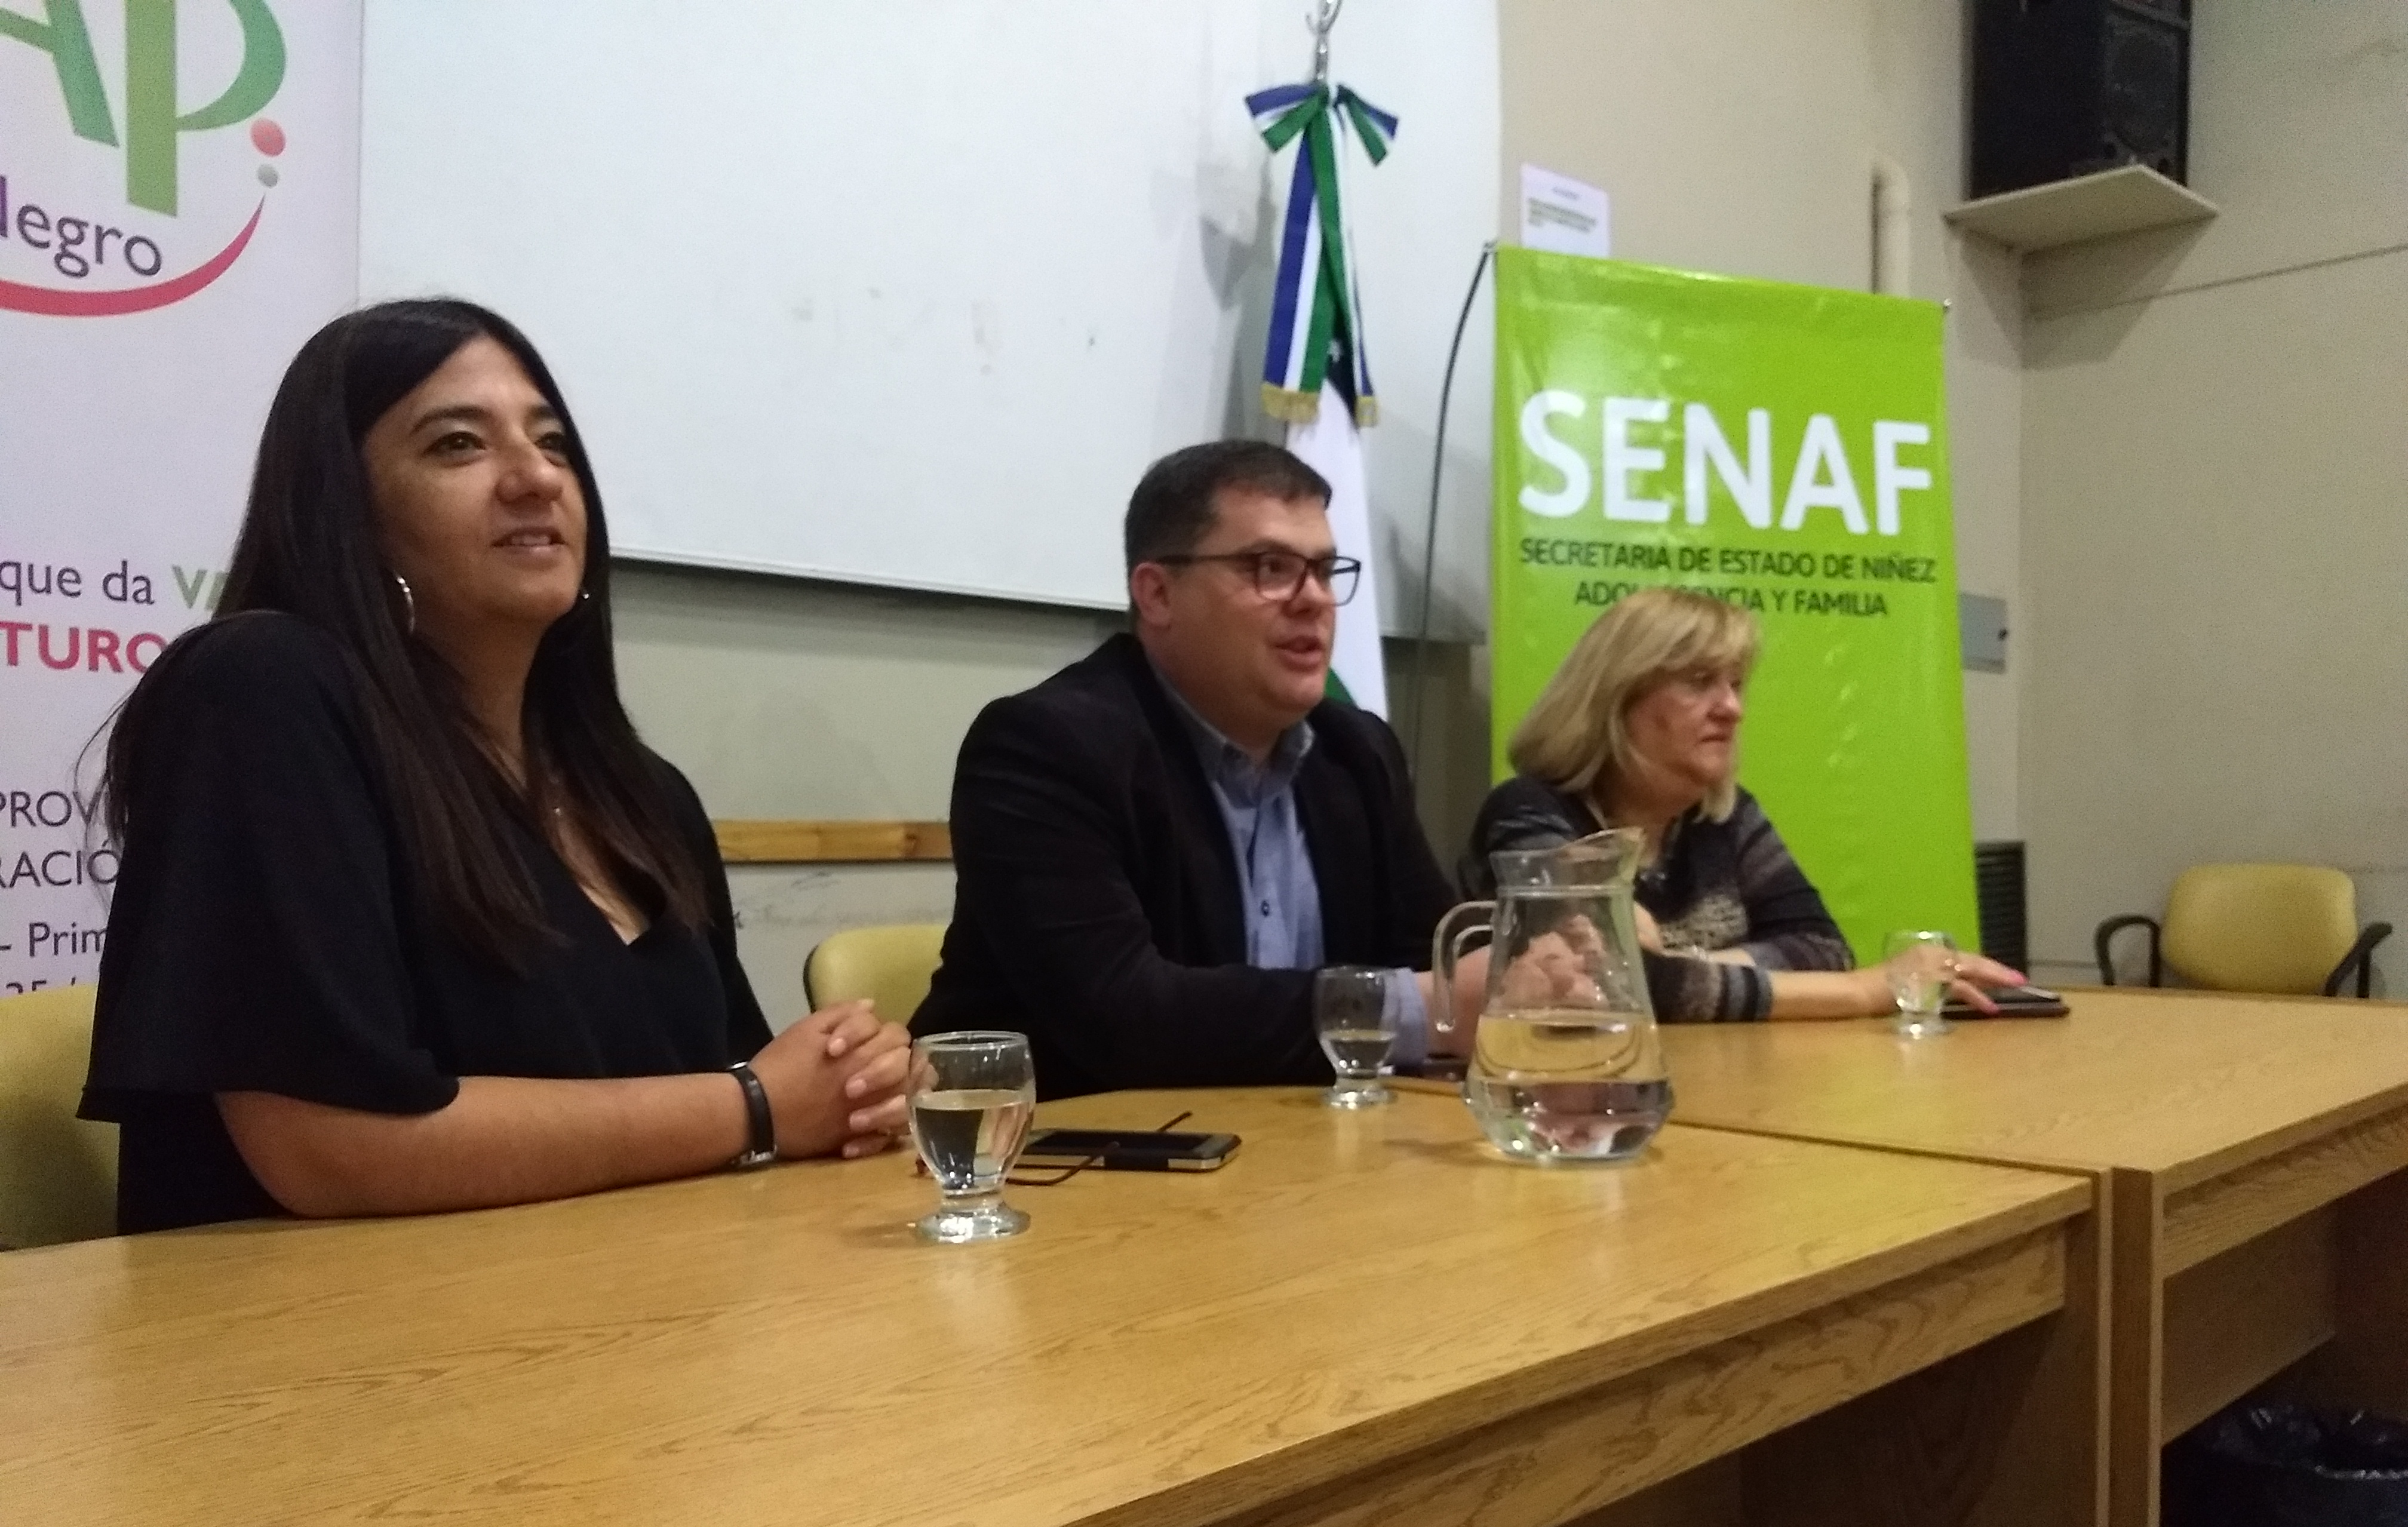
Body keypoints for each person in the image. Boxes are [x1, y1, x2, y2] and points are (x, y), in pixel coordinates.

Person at [82, 299, 911, 1234]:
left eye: (553, 444)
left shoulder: (646, 796)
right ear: (348, 510)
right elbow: (329, 1146)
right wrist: (757, 1106)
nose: (535, 478)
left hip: (624, 1296)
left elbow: (743, 1089)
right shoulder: (261, 688)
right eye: (458, 446)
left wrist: (851, 1084)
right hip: (323, 1318)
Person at [913, 440, 1479, 1097]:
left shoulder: (1356, 751)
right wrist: (1420, 1010)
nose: (1314, 600)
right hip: (1064, 1144)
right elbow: (1126, 1017)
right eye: (1270, 568)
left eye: (1325, 571)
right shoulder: (1046, 746)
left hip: (1298, 1142)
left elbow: (1437, 959)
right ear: (1157, 594)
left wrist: (1526, 971)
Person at [1464, 586, 2019, 1021]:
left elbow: (1821, 949)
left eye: (1735, 684)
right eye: (1700, 682)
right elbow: (1603, 986)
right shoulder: (1529, 814)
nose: (1732, 709)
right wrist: (1864, 991)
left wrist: (1678, 966)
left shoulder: (1725, 818)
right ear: (1617, 698)